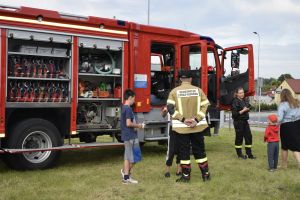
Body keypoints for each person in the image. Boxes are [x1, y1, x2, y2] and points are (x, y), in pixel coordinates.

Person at [166, 69, 211, 182]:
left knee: (184, 152)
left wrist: (183, 120)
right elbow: (206, 106)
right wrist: (196, 119)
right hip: (197, 127)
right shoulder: (199, 90)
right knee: (200, 151)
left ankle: (186, 176)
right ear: (191, 79)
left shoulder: (174, 92)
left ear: (180, 79)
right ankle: (205, 174)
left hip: (181, 129)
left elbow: (170, 109)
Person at [120, 89, 144, 184]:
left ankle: (126, 174)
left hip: (128, 135)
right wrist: (139, 126)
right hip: (130, 136)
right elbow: (129, 123)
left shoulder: (124, 107)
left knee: (128, 157)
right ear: (130, 98)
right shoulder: (128, 109)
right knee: (133, 157)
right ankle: (126, 176)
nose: (134, 100)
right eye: (134, 98)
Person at [277, 89, 300, 169]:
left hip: (286, 126)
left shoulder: (283, 105)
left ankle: (284, 165)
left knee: (285, 146)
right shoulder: (297, 102)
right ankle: (285, 165)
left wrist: (274, 123)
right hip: (297, 124)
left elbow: (279, 119)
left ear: (282, 96)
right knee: (296, 144)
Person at [231, 87, 255, 159]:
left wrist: (253, 103)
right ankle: (239, 154)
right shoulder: (235, 101)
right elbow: (234, 114)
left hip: (245, 121)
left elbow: (248, 107)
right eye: (240, 93)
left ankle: (249, 154)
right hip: (238, 122)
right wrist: (243, 111)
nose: (242, 94)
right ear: (237, 94)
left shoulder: (244, 100)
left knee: (249, 137)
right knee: (239, 138)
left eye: (243, 92)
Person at [161, 106, 181, 178]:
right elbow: (163, 115)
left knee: (180, 150)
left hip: (182, 129)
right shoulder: (170, 104)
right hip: (173, 130)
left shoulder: (182, 102)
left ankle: (179, 171)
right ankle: (167, 171)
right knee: (171, 150)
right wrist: (165, 111)